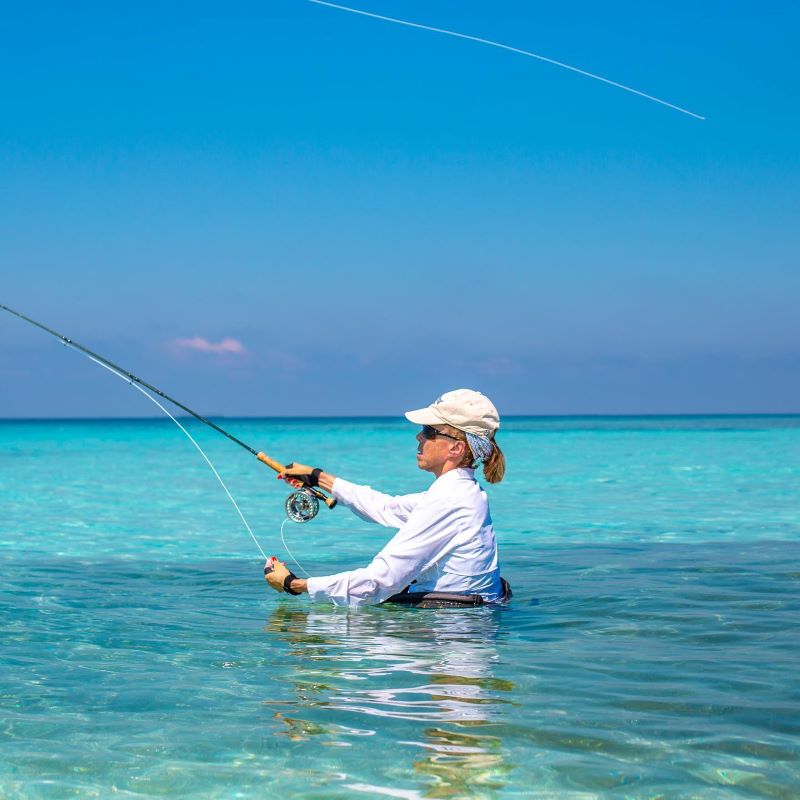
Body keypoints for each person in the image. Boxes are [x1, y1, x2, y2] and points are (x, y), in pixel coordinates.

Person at [264, 389, 509, 606]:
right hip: (461, 632)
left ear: (456, 448)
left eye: (428, 431)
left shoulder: (449, 501)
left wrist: (294, 585)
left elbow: (380, 580)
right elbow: (387, 508)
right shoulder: (460, 493)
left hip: (449, 640)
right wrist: (319, 478)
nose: (418, 437)